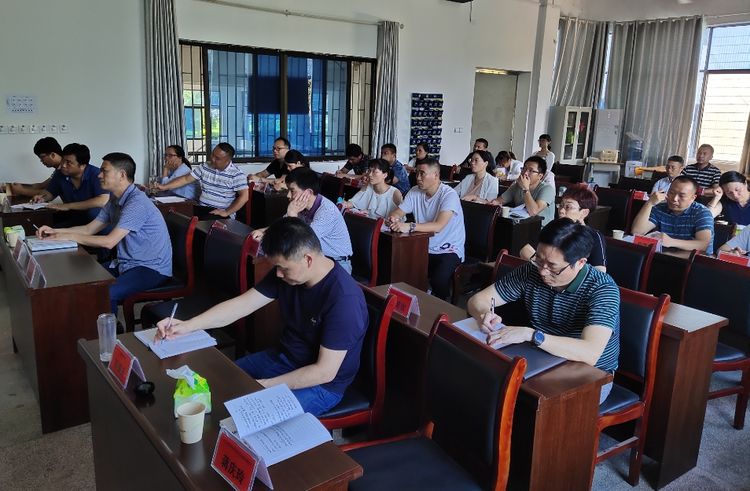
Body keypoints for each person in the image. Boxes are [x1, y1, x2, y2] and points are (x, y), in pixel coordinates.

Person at [156, 217, 367, 416]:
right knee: (219, 383)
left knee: (248, 411)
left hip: (322, 385)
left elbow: (324, 372)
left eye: (282, 268)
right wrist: (188, 326)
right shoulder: (288, 273)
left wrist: (265, 385)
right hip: (284, 357)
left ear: (308, 259)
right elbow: (241, 305)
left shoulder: (344, 299)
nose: (278, 274)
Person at [467, 218, 620, 403]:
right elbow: (477, 300)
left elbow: (590, 353)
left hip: (591, 375)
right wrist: (484, 314)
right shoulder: (531, 271)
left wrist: (532, 335)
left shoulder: (602, 289)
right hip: (543, 357)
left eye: (553, 267)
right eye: (538, 260)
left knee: (522, 403)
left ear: (580, 263)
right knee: (482, 381)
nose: (543, 271)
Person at [36, 153, 172, 313]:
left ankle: (111, 327)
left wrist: (65, 236)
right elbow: (89, 229)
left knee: (104, 292)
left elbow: (109, 242)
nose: (99, 175)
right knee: (85, 280)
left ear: (122, 175)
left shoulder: (137, 202)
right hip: (127, 263)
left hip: (150, 268)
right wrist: (54, 231)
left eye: (104, 171)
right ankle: (89, 322)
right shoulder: (114, 199)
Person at [386, 158, 465, 301]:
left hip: (448, 249)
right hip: (423, 244)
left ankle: (443, 305)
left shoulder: (449, 195)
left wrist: (410, 226)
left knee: (438, 280)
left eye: (422, 173)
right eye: (416, 173)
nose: (417, 177)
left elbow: (438, 226)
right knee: (401, 268)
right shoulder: (415, 191)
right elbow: (399, 211)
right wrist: (394, 217)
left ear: (436, 175)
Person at [252, 167, 353, 274]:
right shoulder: (302, 206)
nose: (288, 195)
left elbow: (303, 241)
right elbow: (282, 224)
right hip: (314, 259)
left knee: (282, 269)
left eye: (292, 191)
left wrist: (293, 214)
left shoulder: (327, 211)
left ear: (308, 192)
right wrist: (263, 231)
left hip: (336, 264)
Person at [520, 184, 607, 272]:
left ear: (584, 212)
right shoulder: (554, 228)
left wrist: (562, 272)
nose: (561, 211)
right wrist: (545, 266)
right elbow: (525, 250)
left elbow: (600, 271)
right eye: (561, 205)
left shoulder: (594, 236)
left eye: (568, 207)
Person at [156, 142, 248, 218]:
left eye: (217, 158)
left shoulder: (236, 174)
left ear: (228, 160)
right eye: (212, 155)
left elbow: (244, 196)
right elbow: (185, 179)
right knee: (175, 215)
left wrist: (227, 212)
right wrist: (164, 187)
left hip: (220, 213)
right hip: (201, 209)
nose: (212, 159)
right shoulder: (205, 166)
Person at [631, 176, 714, 254]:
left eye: (681, 196)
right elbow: (637, 232)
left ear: (693, 198)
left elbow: (703, 245)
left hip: (692, 260)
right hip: (664, 256)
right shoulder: (660, 207)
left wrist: (671, 242)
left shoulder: (702, 212)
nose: (674, 199)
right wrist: (650, 203)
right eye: (671, 192)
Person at [32, 143, 109, 225]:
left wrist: (68, 206)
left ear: (82, 165)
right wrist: (42, 198)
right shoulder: (60, 174)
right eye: (63, 161)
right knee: (47, 220)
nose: (63, 165)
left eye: (68, 162)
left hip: (95, 219)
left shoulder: (97, 175)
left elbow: (102, 200)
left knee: (92, 214)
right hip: (74, 215)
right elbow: (50, 193)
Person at [492, 156, 556, 226]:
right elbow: (497, 201)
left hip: (541, 229)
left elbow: (533, 212)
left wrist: (525, 189)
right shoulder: (517, 186)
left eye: (530, 170)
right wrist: (489, 202)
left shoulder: (547, 189)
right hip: (520, 226)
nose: (525, 173)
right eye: (524, 168)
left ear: (540, 176)